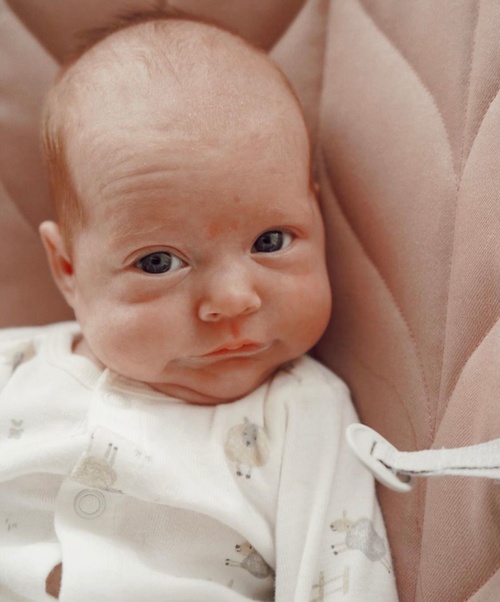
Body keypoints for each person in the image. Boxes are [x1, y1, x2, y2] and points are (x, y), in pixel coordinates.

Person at [0, 14, 398, 601]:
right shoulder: (15, 364)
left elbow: (341, 584)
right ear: (68, 269)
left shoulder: (306, 416)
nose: (234, 300)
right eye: (158, 262)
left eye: (271, 241)